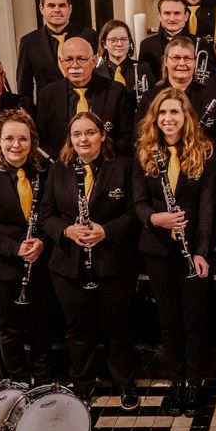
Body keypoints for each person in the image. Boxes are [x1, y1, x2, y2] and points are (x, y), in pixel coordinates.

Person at [41, 111, 139, 409]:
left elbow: (135, 212)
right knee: (78, 328)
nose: (83, 139)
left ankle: (124, 381)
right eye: (77, 134)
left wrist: (106, 231)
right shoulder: (59, 170)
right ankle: (83, 383)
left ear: (102, 135)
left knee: (117, 326)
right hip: (69, 263)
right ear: (70, 139)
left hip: (113, 262)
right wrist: (67, 230)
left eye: (90, 132)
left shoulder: (122, 167)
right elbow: (45, 214)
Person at [133, 88, 216, 417]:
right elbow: (137, 202)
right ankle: (177, 380)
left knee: (194, 320)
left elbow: (207, 206)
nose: (169, 119)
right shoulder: (145, 151)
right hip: (156, 248)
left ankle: (195, 382)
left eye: (175, 113)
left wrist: (200, 250)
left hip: (192, 247)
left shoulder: (204, 151)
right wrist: (156, 218)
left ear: (186, 117)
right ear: (156, 117)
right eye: (163, 113)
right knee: (168, 320)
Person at [0, 109, 54, 386]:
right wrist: (14, 248)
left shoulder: (44, 172)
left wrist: (41, 241)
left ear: (33, 141)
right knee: (10, 330)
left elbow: (56, 215)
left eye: (23, 139)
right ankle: (18, 382)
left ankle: (43, 381)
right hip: (0, 269)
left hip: (40, 264)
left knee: (42, 328)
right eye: (9, 139)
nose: (16, 145)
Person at [36, 38, 134, 157]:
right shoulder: (47, 95)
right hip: (62, 167)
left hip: (107, 165)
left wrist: (103, 157)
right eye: (68, 60)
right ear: (61, 62)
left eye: (81, 59)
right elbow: (41, 139)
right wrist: (60, 162)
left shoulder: (116, 91)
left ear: (94, 61)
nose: (75, 65)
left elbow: (127, 136)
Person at [16, 0, 98, 100]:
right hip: (49, 110)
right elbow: (24, 88)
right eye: (51, 5)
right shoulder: (29, 42)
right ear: (41, 8)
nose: (57, 10)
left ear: (70, 9)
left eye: (62, 5)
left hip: (86, 105)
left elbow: (98, 74)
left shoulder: (88, 35)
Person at [137, 36, 216, 131]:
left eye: (188, 58)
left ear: (195, 62)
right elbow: (139, 136)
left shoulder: (212, 96)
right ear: (166, 61)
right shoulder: (149, 98)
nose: (182, 63)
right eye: (176, 58)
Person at [94, 19, 157, 107]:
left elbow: (154, 100)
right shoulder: (96, 73)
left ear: (130, 42)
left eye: (124, 39)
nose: (119, 44)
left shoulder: (143, 68)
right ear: (104, 44)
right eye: (113, 40)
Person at [138, 0, 196, 74]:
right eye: (167, 13)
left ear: (186, 16)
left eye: (177, 13)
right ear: (159, 16)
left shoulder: (199, 43)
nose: (172, 19)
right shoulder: (147, 45)